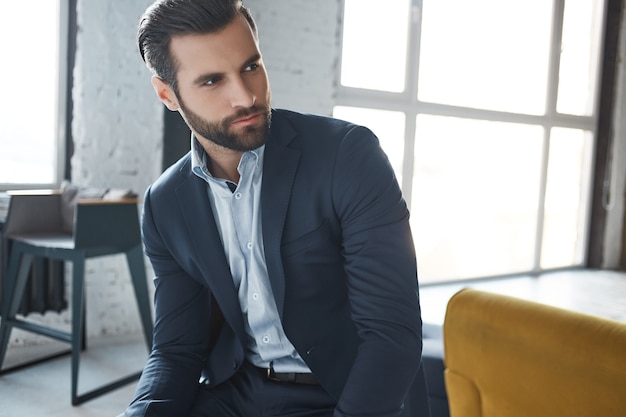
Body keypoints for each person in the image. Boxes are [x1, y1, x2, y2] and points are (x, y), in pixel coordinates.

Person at [120, 0, 431, 416]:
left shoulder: (349, 156)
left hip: (347, 390)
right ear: (167, 94)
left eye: (251, 66)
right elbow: (177, 349)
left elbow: (392, 335)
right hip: (240, 390)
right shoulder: (165, 204)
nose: (245, 96)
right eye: (212, 81)